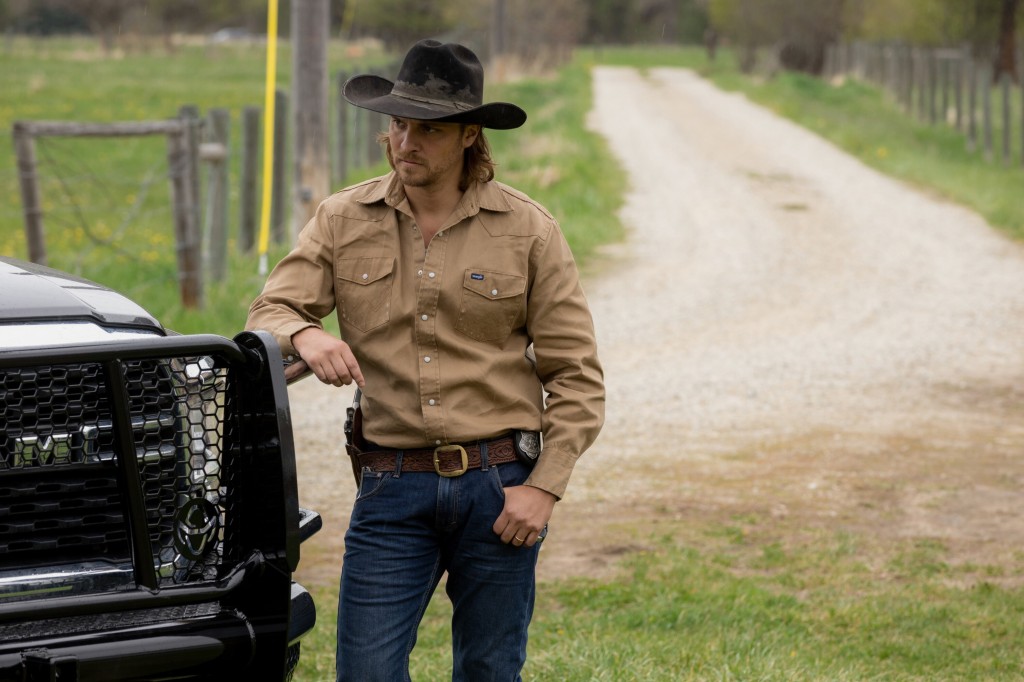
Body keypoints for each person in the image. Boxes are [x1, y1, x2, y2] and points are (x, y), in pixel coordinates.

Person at [246, 39, 604, 682]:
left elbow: (576, 374)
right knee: (365, 672)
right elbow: (269, 312)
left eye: (428, 130)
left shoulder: (529, 230)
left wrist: (544, 487)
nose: (406, 142)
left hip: (500, 487)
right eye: (398, 125)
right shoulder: (341, 218)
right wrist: (306, 336)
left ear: (470, 135)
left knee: (490, 670)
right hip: (390, 486)